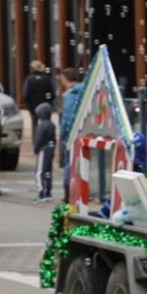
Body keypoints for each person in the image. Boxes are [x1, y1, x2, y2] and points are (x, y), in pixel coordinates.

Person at [56, 66, 82, 199]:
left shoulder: (69, 96)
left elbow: (67, 118)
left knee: (69, 162)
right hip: (83, 133)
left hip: (71, 135)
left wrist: (63, 134)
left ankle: (68, 193)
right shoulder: (84, 91)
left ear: (65, 80)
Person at [33, 97, 56, 201]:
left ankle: (41, 191)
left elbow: (38, 139)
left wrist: (36, 149)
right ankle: (48, 191)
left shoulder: (42, 126)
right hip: (51, 147)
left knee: (39, 171)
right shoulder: (52, 125)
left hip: (43, 148)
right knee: (48, 170)